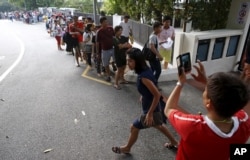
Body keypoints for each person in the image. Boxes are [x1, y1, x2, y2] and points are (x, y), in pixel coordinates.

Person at [164, 61, 250, 160]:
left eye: (205, 90)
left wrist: (180, 82)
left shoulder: (191, 126)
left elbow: (168, 109)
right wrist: (206, 81)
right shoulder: (244, 123)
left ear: (208, 103)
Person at [112, 48, 178, 154]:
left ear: (137, 61)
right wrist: (144, 94)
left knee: (134, 127)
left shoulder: (143, 77)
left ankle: (127, 148)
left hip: (152, 108)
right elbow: (152, 85)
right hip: (152, 106)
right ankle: (175, 142)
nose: (128, 63)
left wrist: (150, 113)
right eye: (127, 60)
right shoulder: (145, 69)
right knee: (158, 125)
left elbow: (157, 94)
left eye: (130, 61)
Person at [96, 16, 116, 82]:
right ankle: (108, 76)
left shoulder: (110, 28)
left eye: (106, 21)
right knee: (106, 64)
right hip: (105, 50)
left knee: (116, 61)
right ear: (101, 23)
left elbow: (115, 37)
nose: (106, 23)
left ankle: (114, 66)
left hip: (112, 48)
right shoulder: (99, 32)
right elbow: (97, 43)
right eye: (105, 22)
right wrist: (98, 53)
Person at [113, 25, 132, 90]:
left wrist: (125, 45)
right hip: (118, 56)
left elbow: (129, 45)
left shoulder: (123, 37)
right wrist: (125, 45)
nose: (121, 31)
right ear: (116, 31)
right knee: (119, 69)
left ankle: (122, 79)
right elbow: (120, 46)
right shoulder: (114, 38)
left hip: (124, 55)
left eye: (121, 30)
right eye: (119, 30)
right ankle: (115, 83)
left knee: (123, 67)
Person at [148, 22, 163, 90]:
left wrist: (162, 42)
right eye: (159, 27)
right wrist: (159, 55)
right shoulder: (153, 36)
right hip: (154, 57)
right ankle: (154, 84)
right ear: (155, 28)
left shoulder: (155, 36)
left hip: (154, 57)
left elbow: (154, 44)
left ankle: (150, 82)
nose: (161, 29)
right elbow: (152, 47)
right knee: (158, 71)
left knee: (153, 70)